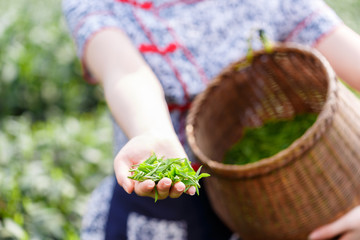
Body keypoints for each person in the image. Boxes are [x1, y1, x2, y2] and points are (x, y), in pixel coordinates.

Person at [62, 0, 360, 239]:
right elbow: (127, 72)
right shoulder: (108, 5)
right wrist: (154, 133)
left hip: (269, 204)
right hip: (164, 212)